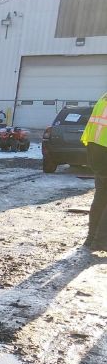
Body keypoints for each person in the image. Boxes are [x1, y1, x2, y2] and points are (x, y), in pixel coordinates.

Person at [82, 92, 107, 251]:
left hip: (96, 150)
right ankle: (101, 241)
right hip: (104, 149)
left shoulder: (104, 97)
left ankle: (91, 238)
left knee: (101, 197)